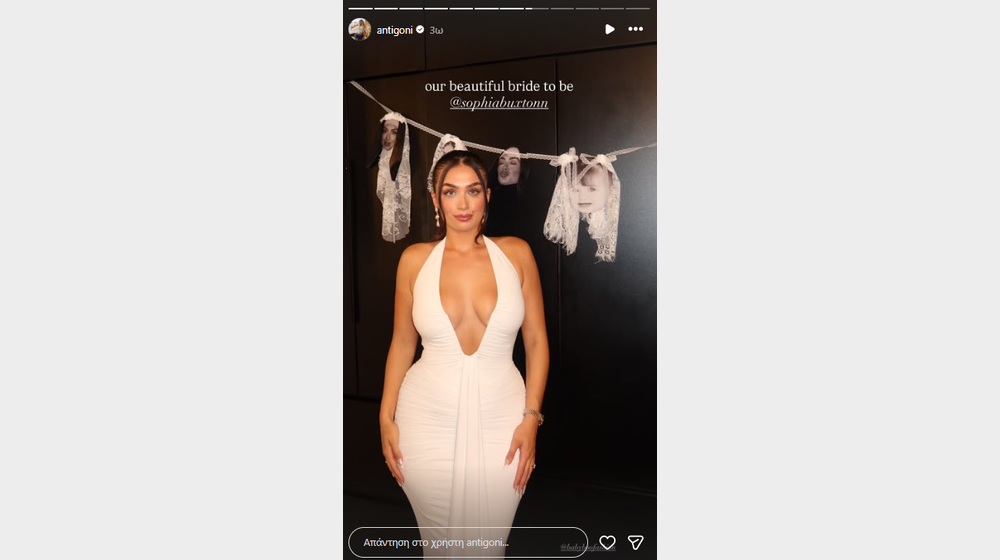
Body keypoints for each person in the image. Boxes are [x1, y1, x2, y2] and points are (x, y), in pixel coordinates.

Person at [379, 150, 550, 557]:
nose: (462, 203)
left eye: (472, 191)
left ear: (487, 196)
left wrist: (531, 419)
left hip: (503, 421)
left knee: (489, 546)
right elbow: (402, 343)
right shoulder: (414, 261)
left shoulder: (517, 254)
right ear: (436, 198)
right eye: (450, 191)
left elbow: (537, 342)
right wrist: (385, 417)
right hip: (425, 421)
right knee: (438, 546)